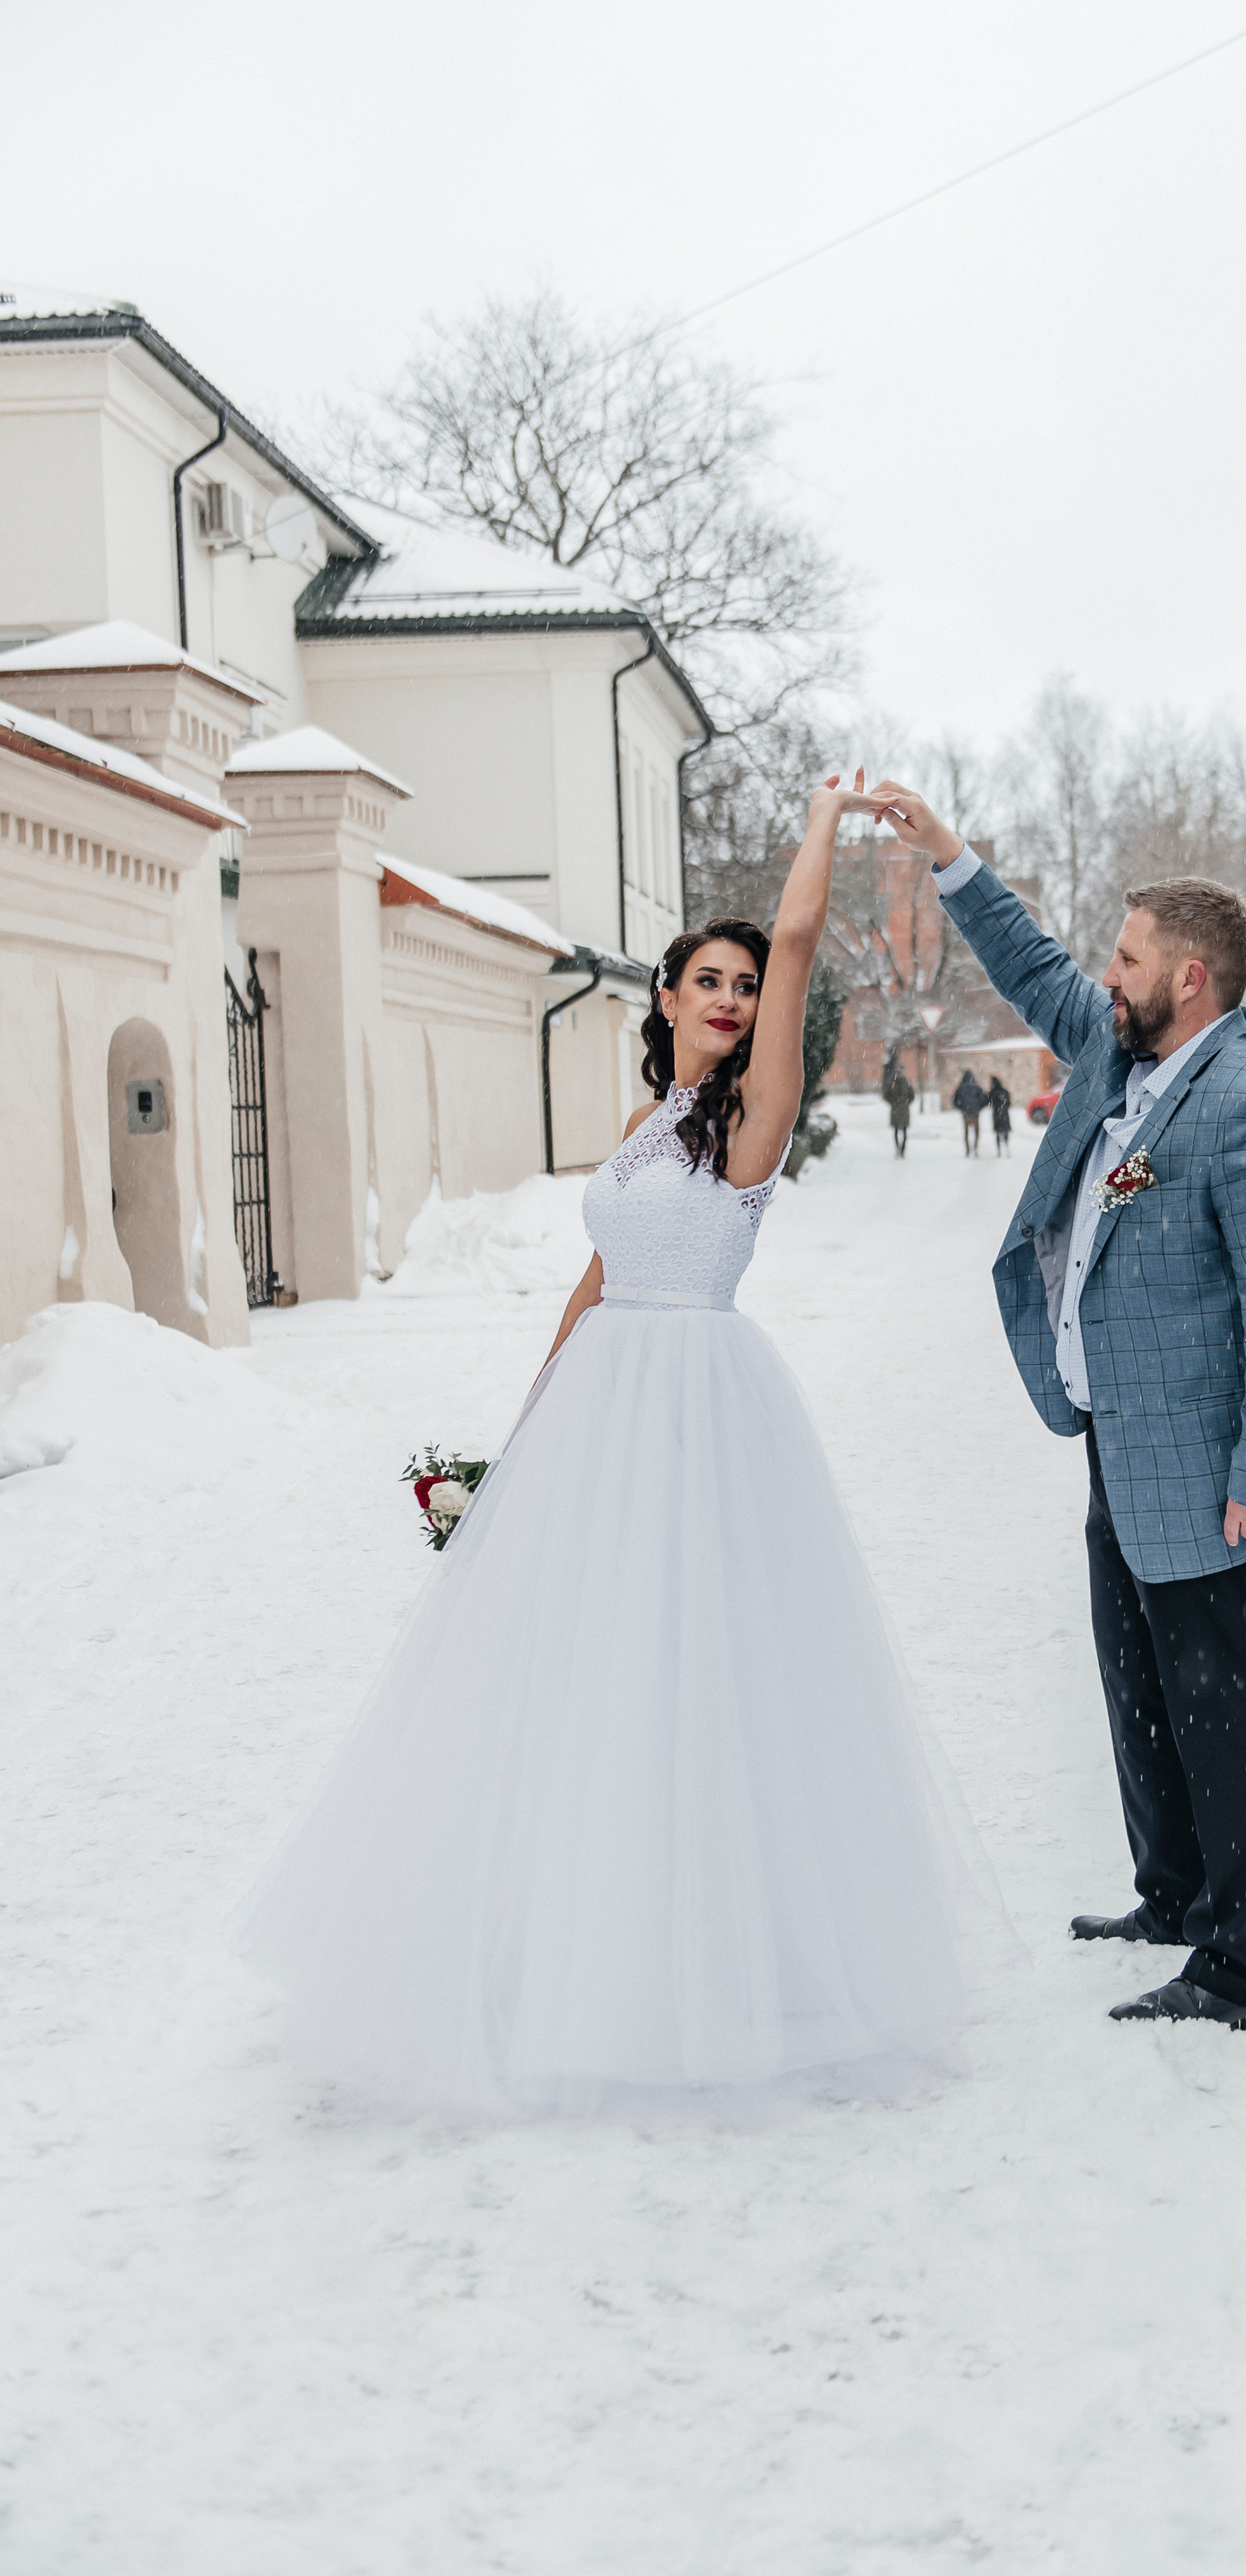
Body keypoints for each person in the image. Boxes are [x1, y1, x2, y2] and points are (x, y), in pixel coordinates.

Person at [232, 773, 990, 2115]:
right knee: (576, 1676)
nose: (730, 1000)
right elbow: (593, 1279)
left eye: (743, 988)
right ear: (664, 995)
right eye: (707, 980)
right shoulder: (650, 1126)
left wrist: (818, 822)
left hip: (700, 1410)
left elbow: (803, 950)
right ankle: (580, 1935)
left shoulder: (753, 1119)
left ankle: (710, 1956)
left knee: (698, 1676)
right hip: (600, 1410)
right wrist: (529, 1429)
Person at [870, 778, 1246, 2032]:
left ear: (1189, 977)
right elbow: (1033, 969)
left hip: (1213, 1469)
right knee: (1140, 1688)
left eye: (1126, 955)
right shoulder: (1121, 1052)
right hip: (1122, 1448)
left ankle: (1240, 1965)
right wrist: (951, 857)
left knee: (1223, 1708)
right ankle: (1175, 1893)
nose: (1105, 971)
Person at [883, 1050, 914, 1157]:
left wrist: (893, 1103)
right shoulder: (907, 1084)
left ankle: (898, 1148)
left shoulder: (892, 1084)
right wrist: (906, 1103)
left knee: (896, 1131)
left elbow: (886, 1096)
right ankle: (903, 1150)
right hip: (904, 1110)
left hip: (895, 1110)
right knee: (904, 1131)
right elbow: (912, 1096)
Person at [951, 1068, 989, 1155]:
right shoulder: (977, 1088)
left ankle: (968, 1150)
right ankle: (975, 1148)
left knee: (966, 1132)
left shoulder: (960, 1088)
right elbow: (985, 1100)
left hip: (966, 1115)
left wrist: (962, 1109)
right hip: (976, 1114)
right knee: (976, 1133)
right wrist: (978, 1108)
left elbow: (954, 1101)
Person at [987, 1074, 1013, 1155]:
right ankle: (1007, 1148)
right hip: (1005, 1113)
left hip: (996, 1114)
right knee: (1005, 1131)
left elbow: (988, 1102)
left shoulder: (992, 1092)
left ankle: (999, 1151)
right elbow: (1009, 1103)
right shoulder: (1004, 1091)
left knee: (998, 1132)